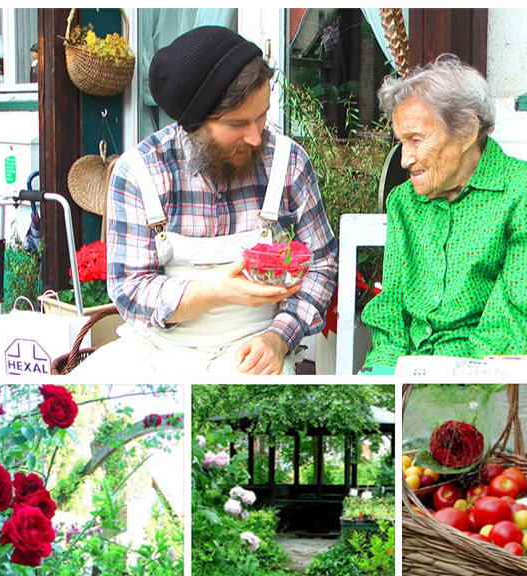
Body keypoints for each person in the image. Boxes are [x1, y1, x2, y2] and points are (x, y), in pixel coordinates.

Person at [71, 26, 337, 376]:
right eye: (237, 124)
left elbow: (320, 265)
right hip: (159, 350)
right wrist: (215, 291)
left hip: (253, 349)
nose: (256, 137)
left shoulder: (288, 162)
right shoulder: (140, 172)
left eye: (262, 116)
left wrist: (279, 338)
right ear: (194, 124)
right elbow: (129, 289)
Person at [361, 54, 527, 371]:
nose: (405, 159)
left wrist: (443, 380)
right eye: (402, 142)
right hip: (417, 377)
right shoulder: (403, 201)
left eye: (416, 140)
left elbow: (520, 326)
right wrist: (386, 375)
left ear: (466, 131)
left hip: (495, 376)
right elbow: (391, 317)